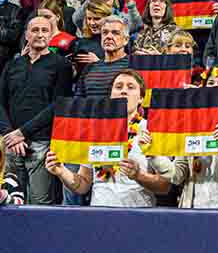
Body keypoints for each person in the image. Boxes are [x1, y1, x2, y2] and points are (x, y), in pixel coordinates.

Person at [46, 69, 171, 207]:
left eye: (130, 87)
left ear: (141, 98)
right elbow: (83, 185)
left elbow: (164, 187)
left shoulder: (152, 131)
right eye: (118, 87)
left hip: (138, 216)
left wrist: (138, 175)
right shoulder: (94, 131)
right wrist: (61, 171)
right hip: (100, 215)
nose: (123, 91)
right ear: (111, 95)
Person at [0, 16, 72, 205]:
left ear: (51, 35)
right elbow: (0, 103)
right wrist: (9, 135)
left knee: (40, 202)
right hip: (11, 144)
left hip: (41, 143)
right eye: (35, 30)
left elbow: (58, 104)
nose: (39, 34)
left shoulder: (61, 65)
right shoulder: (12, 65)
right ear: (26, 35)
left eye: (44, 30)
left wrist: (22, 132)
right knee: (10, 202)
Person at [157, 65, 218, 209]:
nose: (215, 88)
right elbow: (177, 176)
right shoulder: (190, 126)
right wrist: (154, 155)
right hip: (194, 210)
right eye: (210, 83)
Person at [77, 15, 130, 98]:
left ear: (126, 40)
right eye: (105, 32)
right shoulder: (89, 68)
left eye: (115, 33)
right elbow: (79, 100)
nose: (108, 37)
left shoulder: (133, 65)